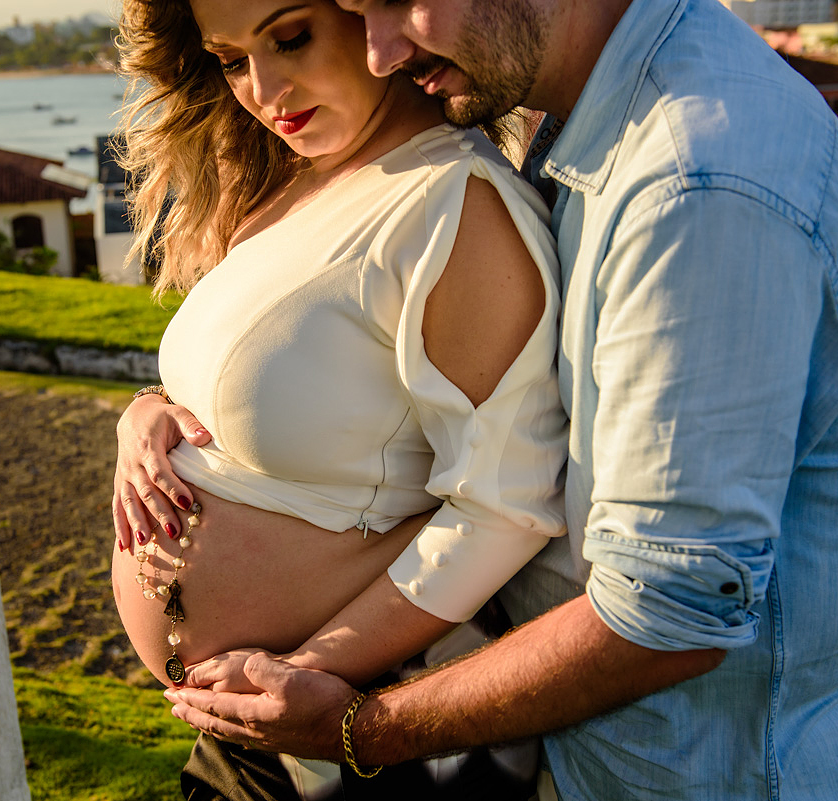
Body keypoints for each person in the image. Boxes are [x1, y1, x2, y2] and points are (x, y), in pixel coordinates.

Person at [152, 0, 838, 799]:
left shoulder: (698, 187)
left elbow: (669, 615)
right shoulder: (585, 116)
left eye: (394, 0)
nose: (378, 54)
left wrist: (355, 727)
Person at [108, 0, 570, 797]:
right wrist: (143, 418)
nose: (262, 87)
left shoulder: (455, 204)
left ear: (371, 14)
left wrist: (309, 676)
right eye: (231, 59)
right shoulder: (297, 190)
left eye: (291, 38)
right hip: (259, 732)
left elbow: (507, 504)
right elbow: (258, 385)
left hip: (360, 736)